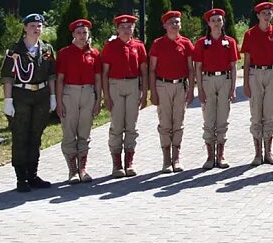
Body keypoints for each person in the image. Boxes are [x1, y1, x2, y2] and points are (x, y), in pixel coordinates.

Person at [1, 13, 56, 193]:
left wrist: (53, 96)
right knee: (20, 137)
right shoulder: (15, 50)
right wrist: (7, 100)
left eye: (39, 26)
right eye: (32, 26)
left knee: (35, 137)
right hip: (21, 96)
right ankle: (21, 178)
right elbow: (8, 77)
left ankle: (33, 174)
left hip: (41, 95)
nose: (36, 29)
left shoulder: (47, 49)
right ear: (25, 28)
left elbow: (51, 75)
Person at [55, 19, 102, 183]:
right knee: (69, 132)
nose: (82, 36)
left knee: (84, 132)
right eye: (79, 33)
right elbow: (60, 79)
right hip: (70, 93)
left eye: (85, 32)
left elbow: (98, 79)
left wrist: (98, 100)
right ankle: (72, 170)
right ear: (73, 34)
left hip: (88, 93)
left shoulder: (94, 53)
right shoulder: (64, 53)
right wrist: (59, 102)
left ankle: (82, 168)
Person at [102, 13, 148, 178]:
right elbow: (105, 72)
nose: (126, 30)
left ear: (133, 28)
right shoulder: (110, 46)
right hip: (115, 85)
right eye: (123, 27)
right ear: (117, 29)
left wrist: (144, 93)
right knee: (116, 125)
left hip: (133, 85)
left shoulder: (139, 46)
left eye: (129, 26)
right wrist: (106, 95)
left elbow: (143, 71)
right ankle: (116, 165)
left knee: (131, 125)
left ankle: (129, 162)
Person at [193, 8, 239, 170]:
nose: (216, 23)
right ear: (208, 23)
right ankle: (210, 156)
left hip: (225, 80)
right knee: (209, 118)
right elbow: (197, 67)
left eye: (219, 20)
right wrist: (200, 89)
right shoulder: (201, 43)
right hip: (208, 80)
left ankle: (220, 155)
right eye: (213, 20)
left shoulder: (230, 42)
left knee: (222, 118)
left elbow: (234, 67)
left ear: (223, 22)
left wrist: (233, 88)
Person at [148, 10, 194, 173]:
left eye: (177, 22)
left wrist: (191, 90)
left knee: (178, 122)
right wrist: (152, 91)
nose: (175, 25)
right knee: (165, 123)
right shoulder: (158, 44)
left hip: (180, 86)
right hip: (163, 86)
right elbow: (152, 69)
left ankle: (177, 157)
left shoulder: (186, 43)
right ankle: (166, 159)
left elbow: (190, 68)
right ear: (165, 25)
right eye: (172, 22)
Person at [242, 1, 273, 165]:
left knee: (269, 114)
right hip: (255, 74)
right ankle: (257, 153)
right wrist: (246, 83)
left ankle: (268, 151)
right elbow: (246, 61)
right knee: (256, 114)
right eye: (264, 13)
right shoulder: (250, 34)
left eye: (270, 13)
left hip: (272, 74)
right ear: (258, 15)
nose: (267, 16)